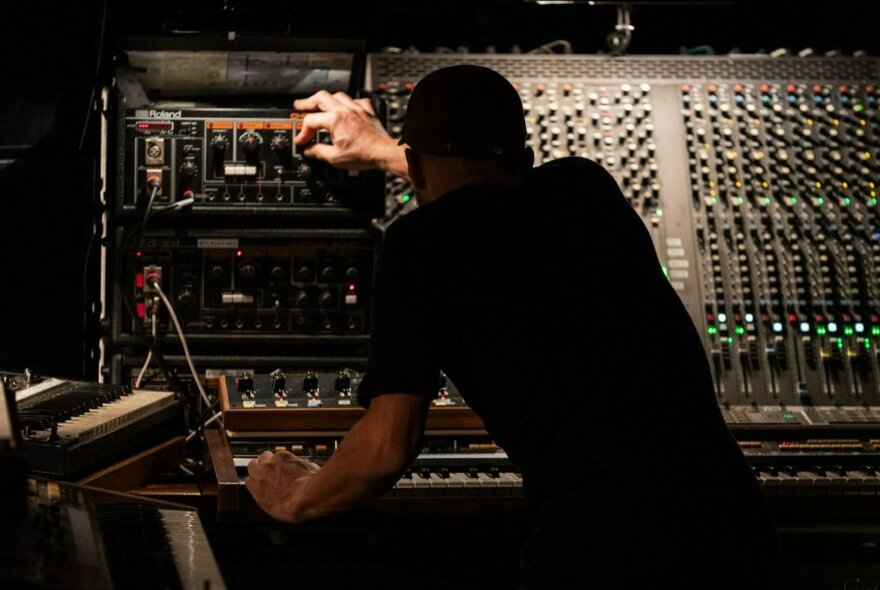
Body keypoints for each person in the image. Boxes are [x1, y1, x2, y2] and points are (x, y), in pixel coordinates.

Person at [245, 64, 782, 588]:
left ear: (415, 166)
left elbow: (388, 444)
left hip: (605, 548)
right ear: (524, 158)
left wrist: (299, 496)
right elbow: (485, 187)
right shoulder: (587, 188)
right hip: (739, 529)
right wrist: (391, 151)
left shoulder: (418, 245)